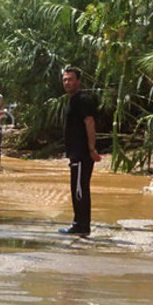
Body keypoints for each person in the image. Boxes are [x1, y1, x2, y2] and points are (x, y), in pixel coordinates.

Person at [61, 66, 101, 236]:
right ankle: (81, 224)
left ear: (78, 81)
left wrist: (91, 148)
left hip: (82, 153)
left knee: (79, 189)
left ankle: (81, 225)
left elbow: (90, 122)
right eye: (64, 79)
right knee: (79, 188)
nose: (67, 82)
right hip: (76, 153)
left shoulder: (82, 99)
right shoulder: (72, 99)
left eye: (70, 79)